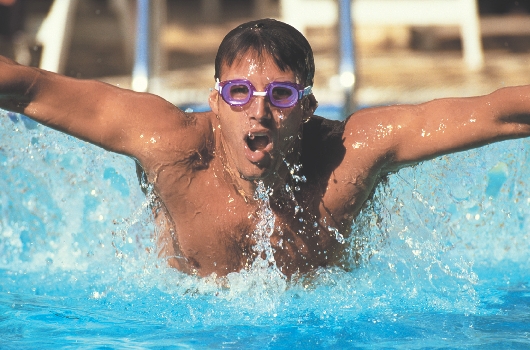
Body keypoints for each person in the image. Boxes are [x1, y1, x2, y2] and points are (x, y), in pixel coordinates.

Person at [1, 18, 529, 278]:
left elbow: (497, 113)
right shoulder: (170, 142)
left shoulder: (350, 151)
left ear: (306, 106)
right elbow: (30, 90)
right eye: (238, 94)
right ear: (215, 101)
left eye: (280, 94)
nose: (258, 112)